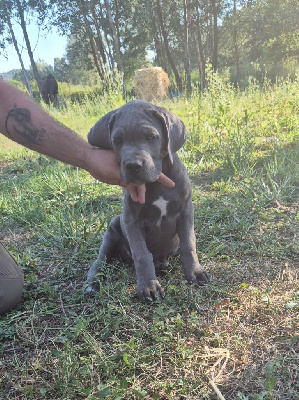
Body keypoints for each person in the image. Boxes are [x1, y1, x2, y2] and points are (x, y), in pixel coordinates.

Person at [0, 80, 175, 314]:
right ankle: (98, 267)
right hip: (134, 248)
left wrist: (88, 156)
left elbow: (4, 103)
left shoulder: (175, 177)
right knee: (118, 225)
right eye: (119, 141)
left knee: (6, 289)